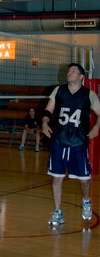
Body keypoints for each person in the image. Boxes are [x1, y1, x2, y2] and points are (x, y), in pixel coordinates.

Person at [43, 63, 100, 227]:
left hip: (78, 142)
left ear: (81, 77)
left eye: (73, 71)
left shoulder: (89, 94)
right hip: (59, 141)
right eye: (69, 71)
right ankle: (58, 212)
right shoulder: (58, 90)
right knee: (56, 179)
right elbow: (48, 111)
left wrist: (96, 126)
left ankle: (86, 201)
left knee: (84, 180)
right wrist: (45, 122)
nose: (69, 73)